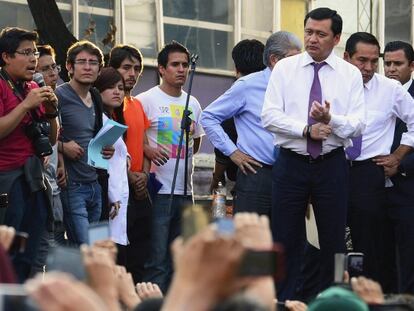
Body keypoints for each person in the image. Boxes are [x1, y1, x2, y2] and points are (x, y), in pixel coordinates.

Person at [261, 8, 366, 300]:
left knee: (334, 240)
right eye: (309, 31)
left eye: (320, 34)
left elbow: (358, 125)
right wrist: (306, 129)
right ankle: (282, 300)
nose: (312, 39)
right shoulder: (285, 68)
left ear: (336, 38)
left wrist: (331, 120)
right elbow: (268, 116)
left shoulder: (350, 74)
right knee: (284, 237)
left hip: (332, 165)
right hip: (290, 163)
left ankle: (334, 299)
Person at [202, 31, 302, 216]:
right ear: (274, 60)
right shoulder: (248, 85)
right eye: (293, 60)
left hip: (291, 174)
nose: (299, 66)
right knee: (252, 240)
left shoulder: (300, 87)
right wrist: (233, 153)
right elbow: (208, 117)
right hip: (256, 174)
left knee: (287, 240)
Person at [343, 32, 414, 292]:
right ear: (346, 57)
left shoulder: (390, 89)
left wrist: (398, 155)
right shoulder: (330, 85)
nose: (369, 68)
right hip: (331, 170)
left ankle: (371, 298)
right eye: (362, 60)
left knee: (370, 246)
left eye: (375, 61)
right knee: (330, 243)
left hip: (368, 174)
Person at [137, 41, 204, 292]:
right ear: (161, 69)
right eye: (175, 64)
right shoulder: (145, 100)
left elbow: (195, 143)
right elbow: (135, 141)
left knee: (182, 260)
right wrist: (149, 150)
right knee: (157, 260)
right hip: (159, 190)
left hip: (186, 192)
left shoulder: (194, 103)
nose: (182, 70)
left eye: (185, 65)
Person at [0, 27, 59, 281]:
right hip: (7, 180)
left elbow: (52, 139)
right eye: (26, 52)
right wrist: (26, 105)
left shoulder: (33, 86)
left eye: (34, 52)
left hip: (35, 178)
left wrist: (51, 111)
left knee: (32, 254)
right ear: (6, 57)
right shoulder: (2, 85)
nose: (34, 58)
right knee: (8, 254)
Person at [56, 40, 114, 245]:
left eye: (93, 62)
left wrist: (106, 148)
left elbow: (95, 137)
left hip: (95, 185)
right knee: (84, 247)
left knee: (97, 249)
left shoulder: (96, 96)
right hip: (72, 187)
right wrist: (63, 146)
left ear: (99, 69)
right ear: (69, 67)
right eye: (82, 62)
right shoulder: (58, 96)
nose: (88, 67)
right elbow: (42, 135)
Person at [108, 44, 152, 282]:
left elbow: (144, 144)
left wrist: (144, 174)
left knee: (140, 254)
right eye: (126, 67)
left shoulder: (136, 105)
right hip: (117, 188)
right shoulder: (109, 106)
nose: (132, 74)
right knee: (118, 255)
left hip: (140, 188)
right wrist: (131, 177)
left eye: (136, 69)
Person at [209, 39, 266, 195]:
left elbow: (223, 144)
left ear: (236, 68)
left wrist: (216, 179)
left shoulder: (238, 91)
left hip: (247, 177)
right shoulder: (274, 91)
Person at [32, 44, 67, 274]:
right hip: (37, 184)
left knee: (57, 245)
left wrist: (61, 160)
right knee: (43, 252)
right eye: (45, 69)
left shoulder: (54, 100)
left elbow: (54, 139)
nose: (53, 72)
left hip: (54, 183)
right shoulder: (32, 99)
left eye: (54, 66)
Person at [383, 40, 414, 294]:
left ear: (411, 66)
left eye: (398, 64)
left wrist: (401, 166)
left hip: (408, 191)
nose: (391, 69)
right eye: (388, 63)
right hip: (375, 190)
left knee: (407, 259)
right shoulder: (375, 92)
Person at [94, 67, 129, 249]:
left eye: (120, 87)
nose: (117, 92)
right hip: (105, 199)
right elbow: (98, 164)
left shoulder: (111, 120)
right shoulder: (98, 120)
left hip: (115, 199)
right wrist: (110, 196)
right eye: (110, 87)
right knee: (101, 252)